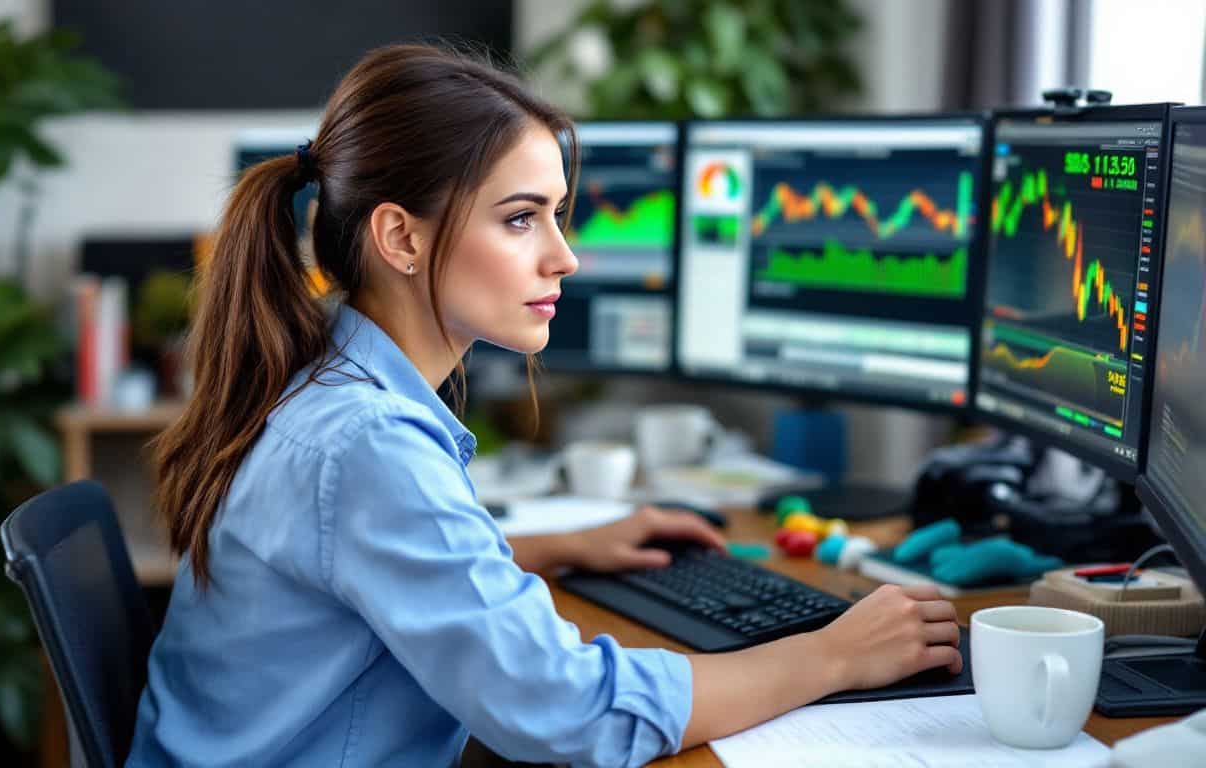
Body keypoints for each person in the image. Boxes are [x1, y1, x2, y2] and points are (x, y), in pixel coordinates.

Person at [127, 44, 962, 768]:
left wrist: (558, 545)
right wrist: (831, 657)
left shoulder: (324, 381)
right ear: (401, 239)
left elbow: (361, 564)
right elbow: (568, 714)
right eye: (522, 219)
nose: (564, 257)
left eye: (556, 216)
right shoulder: (367, 442)